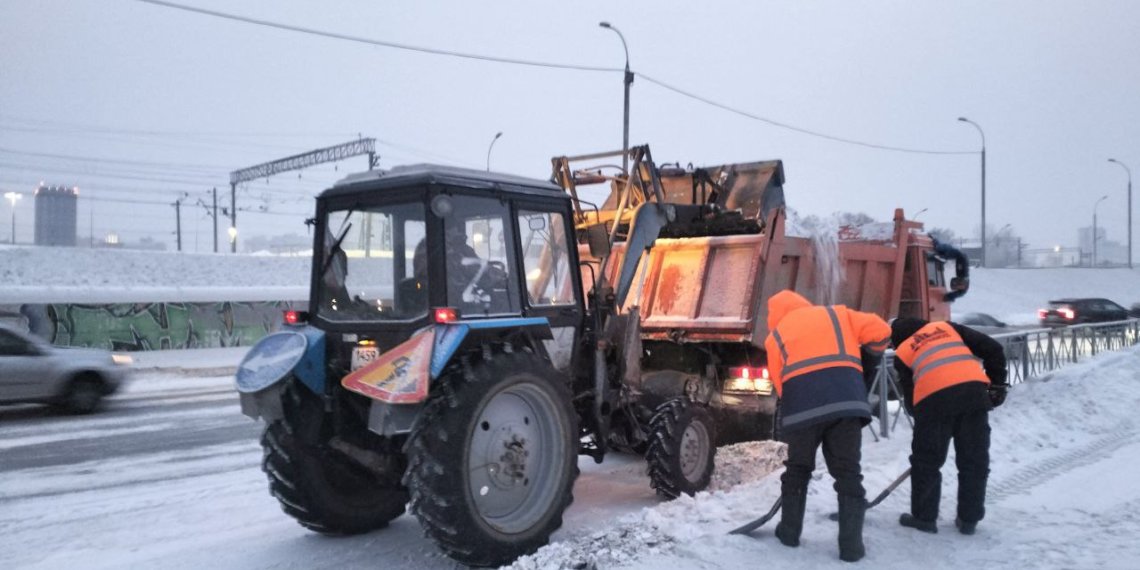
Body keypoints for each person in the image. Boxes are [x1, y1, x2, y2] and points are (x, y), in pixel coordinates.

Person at [765, 290, 891, 563]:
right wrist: (864, 366)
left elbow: (779, 382)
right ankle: (851, 548)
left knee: (798, 470)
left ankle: (789, 532)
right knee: (848, 474)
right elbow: (881, 332)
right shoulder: (838, 314)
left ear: (775, 315)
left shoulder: (774, 336)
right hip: (846, 404)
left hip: (802, 410)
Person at [890, 318, 1008, 536]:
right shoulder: (947, 327)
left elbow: (910, 399)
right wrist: (998, 384)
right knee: (974, 461)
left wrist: (925, 428)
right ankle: (969, 519)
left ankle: (925, 518)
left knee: (926, 463)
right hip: (973, 397)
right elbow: (993, 348)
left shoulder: (903, 352)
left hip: (933, 403)